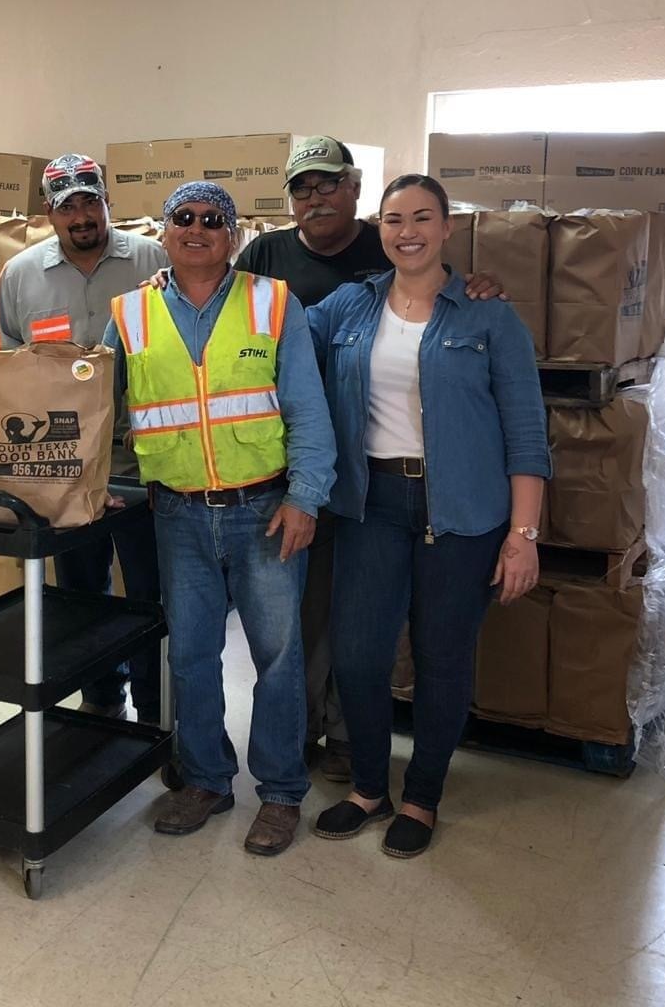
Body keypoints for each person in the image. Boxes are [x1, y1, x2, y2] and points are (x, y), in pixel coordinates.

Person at [234, 136, 504, 782]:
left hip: (372, 479)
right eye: (303, 187)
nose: (316, 197)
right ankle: (301, 738)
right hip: (297, 470)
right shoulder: (268, 256)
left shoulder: (390, 257)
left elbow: (443, 296)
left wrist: (479, 287)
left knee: (368, 631)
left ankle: (354, 746)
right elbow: (234, 312)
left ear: (355, 189)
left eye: (329, 183)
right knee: (308, 619)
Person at [305, 174, 549, 858]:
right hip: (371, 503)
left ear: (447, 227)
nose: (406, 231)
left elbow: (527, 433)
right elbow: (277, 331)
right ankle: (369, 789)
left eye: (421, 218)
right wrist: (184, 282)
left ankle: (422, 797)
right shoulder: (350, 306)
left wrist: (523, 535)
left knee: (442, 659)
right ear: (378, 229)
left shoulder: (488, 316)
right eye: (393, 220)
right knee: (358, 655)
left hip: (463, 511)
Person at [104, 181, 337, 857]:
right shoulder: (130, 313)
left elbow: (308, 409)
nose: (198, 229)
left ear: (233, 236)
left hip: (264, 511)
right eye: (184, 218)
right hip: (176, 514)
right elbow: (93, 412)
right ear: (164, 232)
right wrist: (94, 485)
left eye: (213, 220)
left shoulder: (273, 303)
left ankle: (281, 791)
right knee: (192, 655)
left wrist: (305, 497)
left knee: (279, 658)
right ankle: (206, 779)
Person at [0, 153, 168, 724]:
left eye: (91, 201)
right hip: (64, 465)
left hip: (143, 463)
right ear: (49, 212)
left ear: (108, 202)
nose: (82, 216)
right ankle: (101, 699)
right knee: (81, 590)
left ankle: (156, 709)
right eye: (68, 206)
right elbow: (8, 372)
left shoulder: (153, 259)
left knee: (150, 592)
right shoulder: (20, 276)